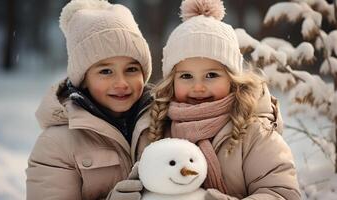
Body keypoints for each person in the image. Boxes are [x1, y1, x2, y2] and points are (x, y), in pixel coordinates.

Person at [147, 0, 301, 199]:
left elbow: (282, 193)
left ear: (232, 79)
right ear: (171, 80)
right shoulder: (159, 127)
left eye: (211, 75)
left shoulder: (255, 132)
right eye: (186, 76)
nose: (198, 87)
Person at [26, 0, 153, 199]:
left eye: (131, 69)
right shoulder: (57, 144)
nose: (121, 83)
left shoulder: (164, 123)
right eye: (106, 71)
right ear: (83, 79)